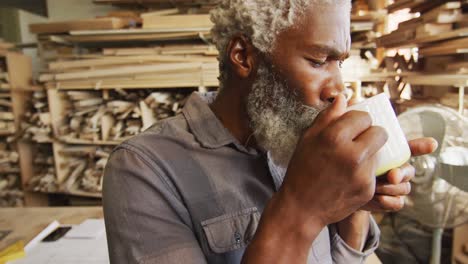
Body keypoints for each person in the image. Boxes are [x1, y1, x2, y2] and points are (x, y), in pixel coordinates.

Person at [103, 1, 437, 263]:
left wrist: (354, 205)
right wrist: (301, 208)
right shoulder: (142, 170)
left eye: (340, 63)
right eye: (319, 60)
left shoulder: (299, 135)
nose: (339, 89)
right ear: (244, 56)